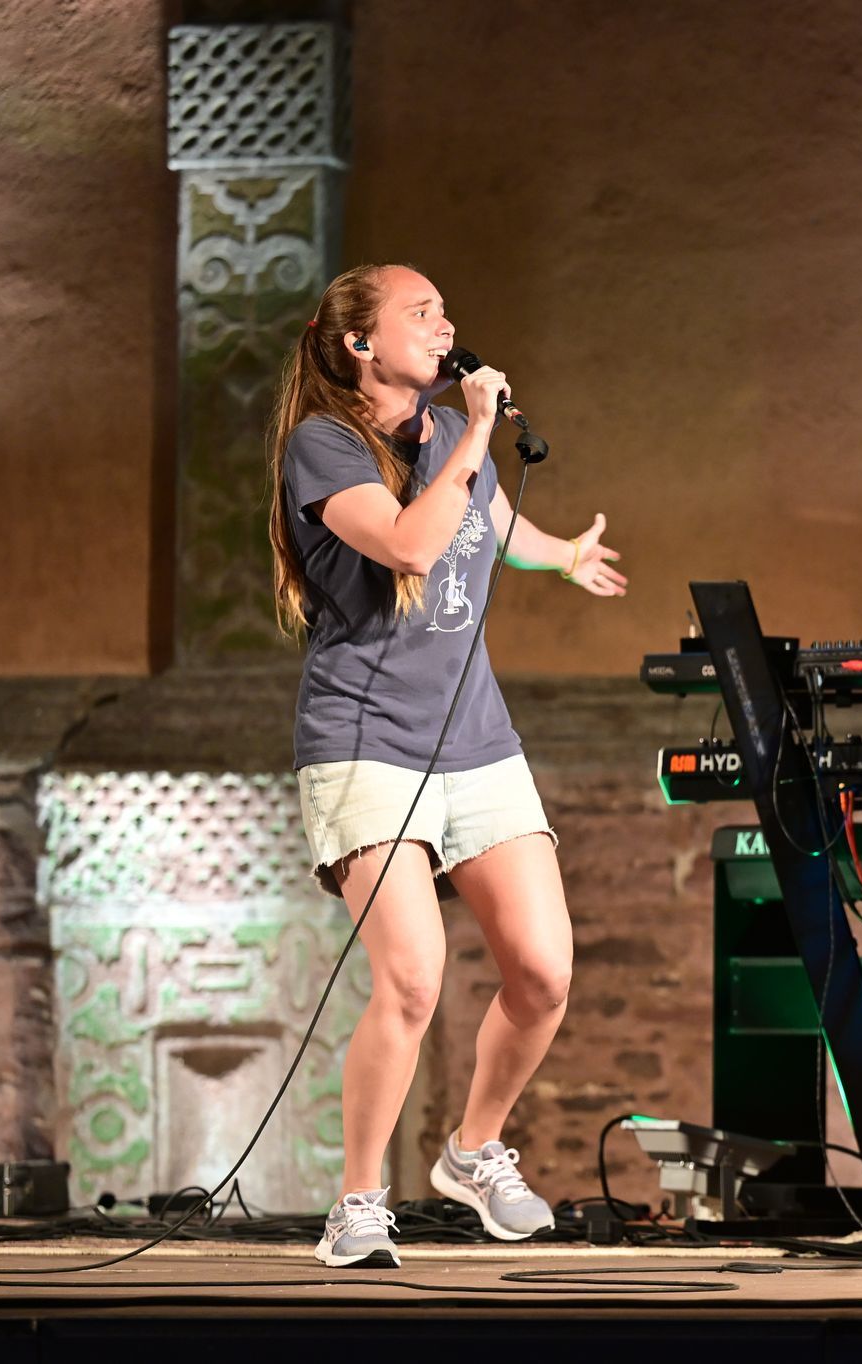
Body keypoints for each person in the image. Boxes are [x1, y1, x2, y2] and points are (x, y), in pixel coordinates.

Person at [267, 263, 627, 1267]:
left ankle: (472, 1149)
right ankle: (357, 1202)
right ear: (361, 343)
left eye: (443, 310)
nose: (445, 324)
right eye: (419, 312)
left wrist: (562, 555)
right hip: (366, 744)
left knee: (543, 973)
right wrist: (473, 433)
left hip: (476, 741)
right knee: (413, 980)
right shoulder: (326, 445)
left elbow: (489, 528)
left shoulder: (443, 439)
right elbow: (411, 544)